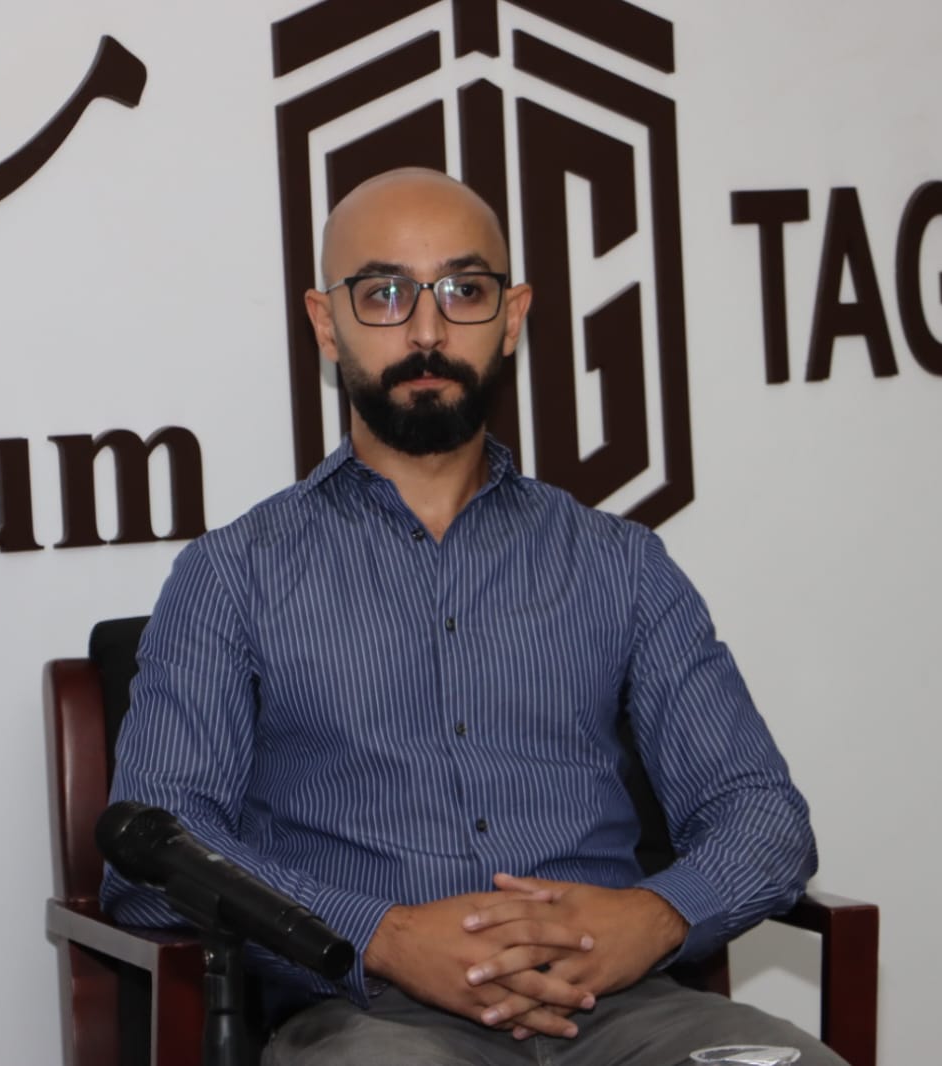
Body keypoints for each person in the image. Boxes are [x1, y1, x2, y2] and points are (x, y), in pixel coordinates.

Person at [102, 167, 840, 1064]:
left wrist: (653, 917)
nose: (426, 331)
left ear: (512, 316)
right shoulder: (232, 576)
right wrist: (382, 937)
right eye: (383, 294)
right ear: (326, 324)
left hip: (621, 1013)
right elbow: (157, 852)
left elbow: (759, 811)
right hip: (375, 1022)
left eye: (463, 291)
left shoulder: (620, 566)